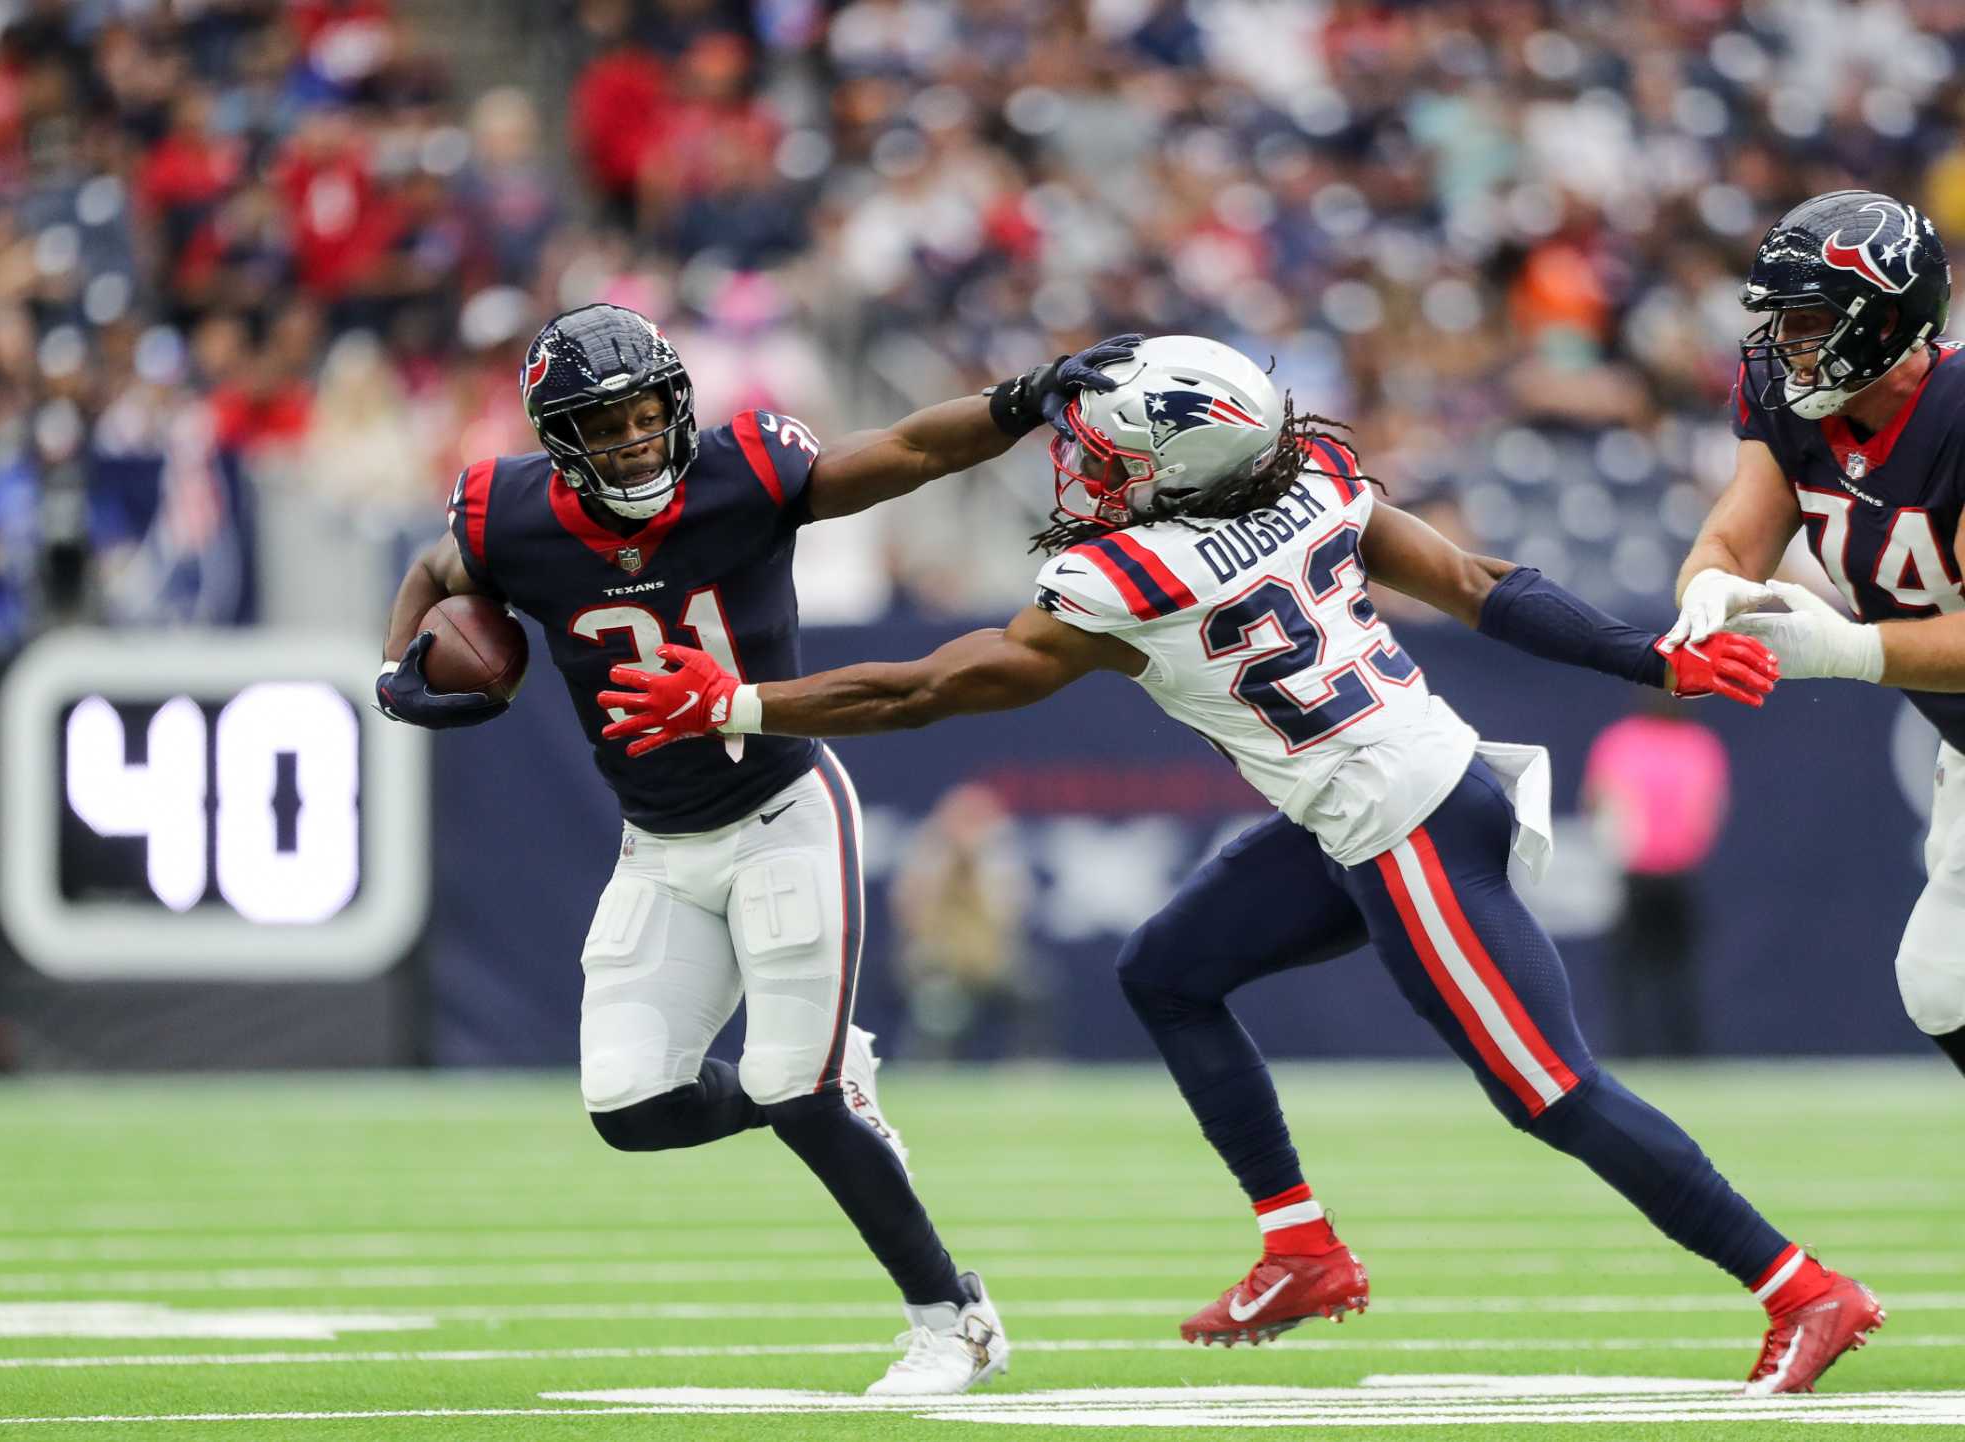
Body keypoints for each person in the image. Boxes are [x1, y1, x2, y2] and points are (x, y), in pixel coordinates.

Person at [601, 334, 1882, 1396]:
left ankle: (1799, 1285)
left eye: (1104, 458)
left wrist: (740, 702)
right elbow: (1481, 581)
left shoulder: (1125, 572)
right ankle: (1300, 1246)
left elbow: (931, 688)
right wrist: (1645, 657)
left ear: (1170, 473)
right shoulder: (1311, 473)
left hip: (1406, 823)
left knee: (1549, 1090)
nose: (1078, 470)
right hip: (1373, 801)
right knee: (1165, 968)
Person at [374, 300, 1140, 1395]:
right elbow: (436, 569)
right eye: (605, 426)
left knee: (793, 1080)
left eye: (646, 415)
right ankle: (833, 1077)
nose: (634, 441)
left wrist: (1022, 398)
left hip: (784, 808)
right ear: (559, 442)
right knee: (632, 1109)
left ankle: (951, 1317)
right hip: (656, 840)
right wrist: (396, 667)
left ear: (678, 403)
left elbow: (911, 450)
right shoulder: (509, 515)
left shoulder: (746, 471)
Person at [1666, 190, 1965, 1081]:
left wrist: (1851, 649)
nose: (1784, 341)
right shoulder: (1792, 406)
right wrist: (1710, 594)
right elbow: (1731, 540)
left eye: (1808, 319)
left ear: (1884, 320)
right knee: (1943, 983)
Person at [1581, 695, 1732, 1057]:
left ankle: (1630, 1053)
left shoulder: (1621, 740)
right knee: (1676, 969)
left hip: (1635, 872)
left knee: (1630, 971)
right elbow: (1709, 809)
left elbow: (1597, 800)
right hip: (1677, 873)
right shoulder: (1698, 743)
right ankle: (1683, 1054)